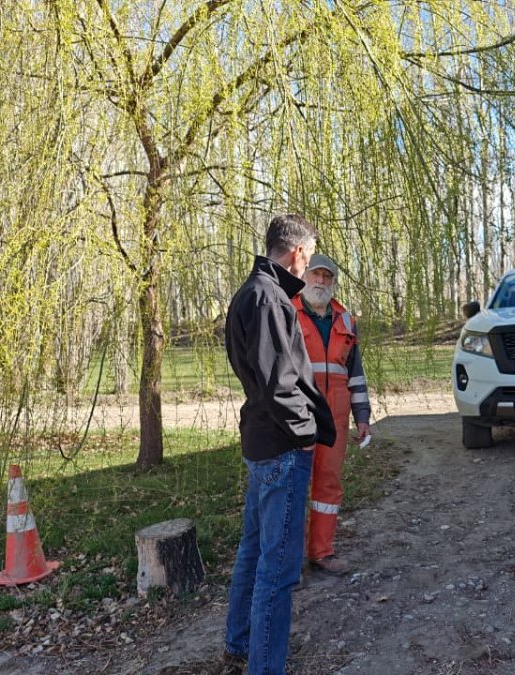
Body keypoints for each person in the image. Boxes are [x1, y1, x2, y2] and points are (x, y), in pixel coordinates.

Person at [223, 214, 337, 675]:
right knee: (279, 568)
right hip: (281, 448)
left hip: (262, 442)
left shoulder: (251, 293)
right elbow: (278, 385)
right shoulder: (268, 298)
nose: (308, 265)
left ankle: (239, 643)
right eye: (308, 256)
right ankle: (264, 666)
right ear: (297, 253)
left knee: (254, 550)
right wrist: (305, 435)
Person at [292, 254, 372, 576]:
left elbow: (355, 374)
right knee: (294, 486)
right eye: (316, 275)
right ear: (305, 277)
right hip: (297, 415)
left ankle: (321, 552)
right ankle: (290, 563)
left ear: (334, 282)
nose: (321, 282)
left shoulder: (345, 321)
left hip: (335, 419)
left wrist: (362, 415)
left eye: (327, 277)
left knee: (328, 485)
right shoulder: (288, 313)